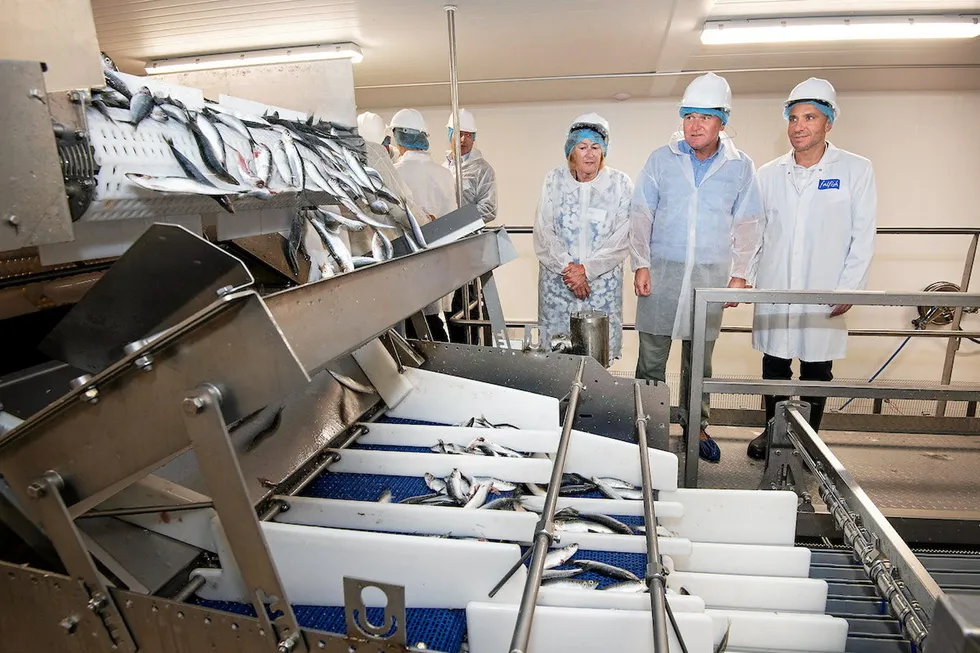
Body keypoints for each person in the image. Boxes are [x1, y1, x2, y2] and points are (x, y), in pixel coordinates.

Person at [629, 72, 763, 463]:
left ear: (722, 121)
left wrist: (740, 274)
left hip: (710, 273)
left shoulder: (741, 167)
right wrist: (640, 263)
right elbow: (640, 213)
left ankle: (696, 426)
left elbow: (749, 221)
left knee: (699, 358)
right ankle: (645, 425)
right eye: (689, 117)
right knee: (652, 354)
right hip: (662, 270)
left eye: (704, 117)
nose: (695, 125)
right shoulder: (661, 158)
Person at [746, 78, 877, 460]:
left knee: (817, 369)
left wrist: (849, 287)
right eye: (793, 118)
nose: (798, 126)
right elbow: (756, 232)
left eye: (810, 117)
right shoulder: (768, 173)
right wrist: (747, 279)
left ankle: (808, 444)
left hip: (826, 285)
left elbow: (863, 234)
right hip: (776, 284)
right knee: (774, 364)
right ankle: (774, 436)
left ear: (828, 123)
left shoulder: (855, 169)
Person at [533, 113, 633, 363]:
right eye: (583, 147)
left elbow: (623, 236)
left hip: (600, 287)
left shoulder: (620, 184)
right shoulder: (553, 181)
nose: (590, 154)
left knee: (597, 357)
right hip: (559, 285)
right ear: (571, 152)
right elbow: (544, 230)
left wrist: (586, 271)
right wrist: (570, 270)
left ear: (603, 151)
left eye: (596, 147)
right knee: (557, 357)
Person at [390, 108, 458, 341]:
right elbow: (452, 220)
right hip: (439, 262)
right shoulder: (444, 174)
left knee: (412, 325)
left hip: (406, 263)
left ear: (398, 138)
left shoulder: (395, 174)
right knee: (432, 321)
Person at [444, 108, 499, 343]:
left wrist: (456, 223)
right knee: (448, 307)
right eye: (459, 134)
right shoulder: (443, 167)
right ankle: (456, 352)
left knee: (470, 303)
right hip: (443, 250)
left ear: (474, 138)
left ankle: (475, 351)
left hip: (469, 247)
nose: (463, 140)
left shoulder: (483, 170)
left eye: (468, 135)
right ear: (449, 135)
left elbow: (489, 209)